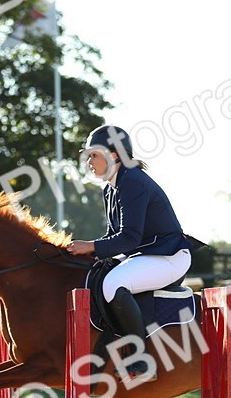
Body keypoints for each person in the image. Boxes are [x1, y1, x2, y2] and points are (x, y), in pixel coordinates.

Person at [66, 125, 192, 380]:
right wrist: (80, 251)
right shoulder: (111, 187)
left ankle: (141, 360)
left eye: (93, 155)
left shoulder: (132, 181)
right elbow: (113, 236)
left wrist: (90, 246)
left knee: (114, 282)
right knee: (96, 274)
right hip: (146, 255)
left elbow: (129, 237)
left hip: (169, 257)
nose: (89, 161)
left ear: (113, 155)